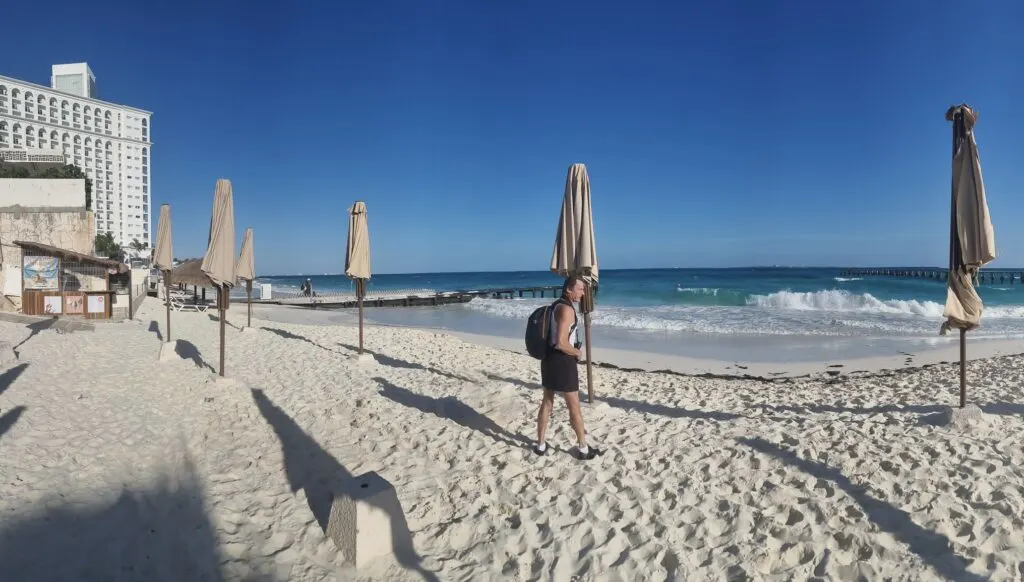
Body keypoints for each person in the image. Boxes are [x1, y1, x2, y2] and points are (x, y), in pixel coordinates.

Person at [535, 276, 602, 460]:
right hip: (562, 362)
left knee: (547, 402)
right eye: (580, 289)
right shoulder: (567, 310)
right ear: (568, 290)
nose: (582, 293)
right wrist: (576, 353)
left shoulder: (555, 305)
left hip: (548, 360)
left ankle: (540, 445)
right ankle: (583, 449)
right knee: (574, 407)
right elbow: (560, 343)